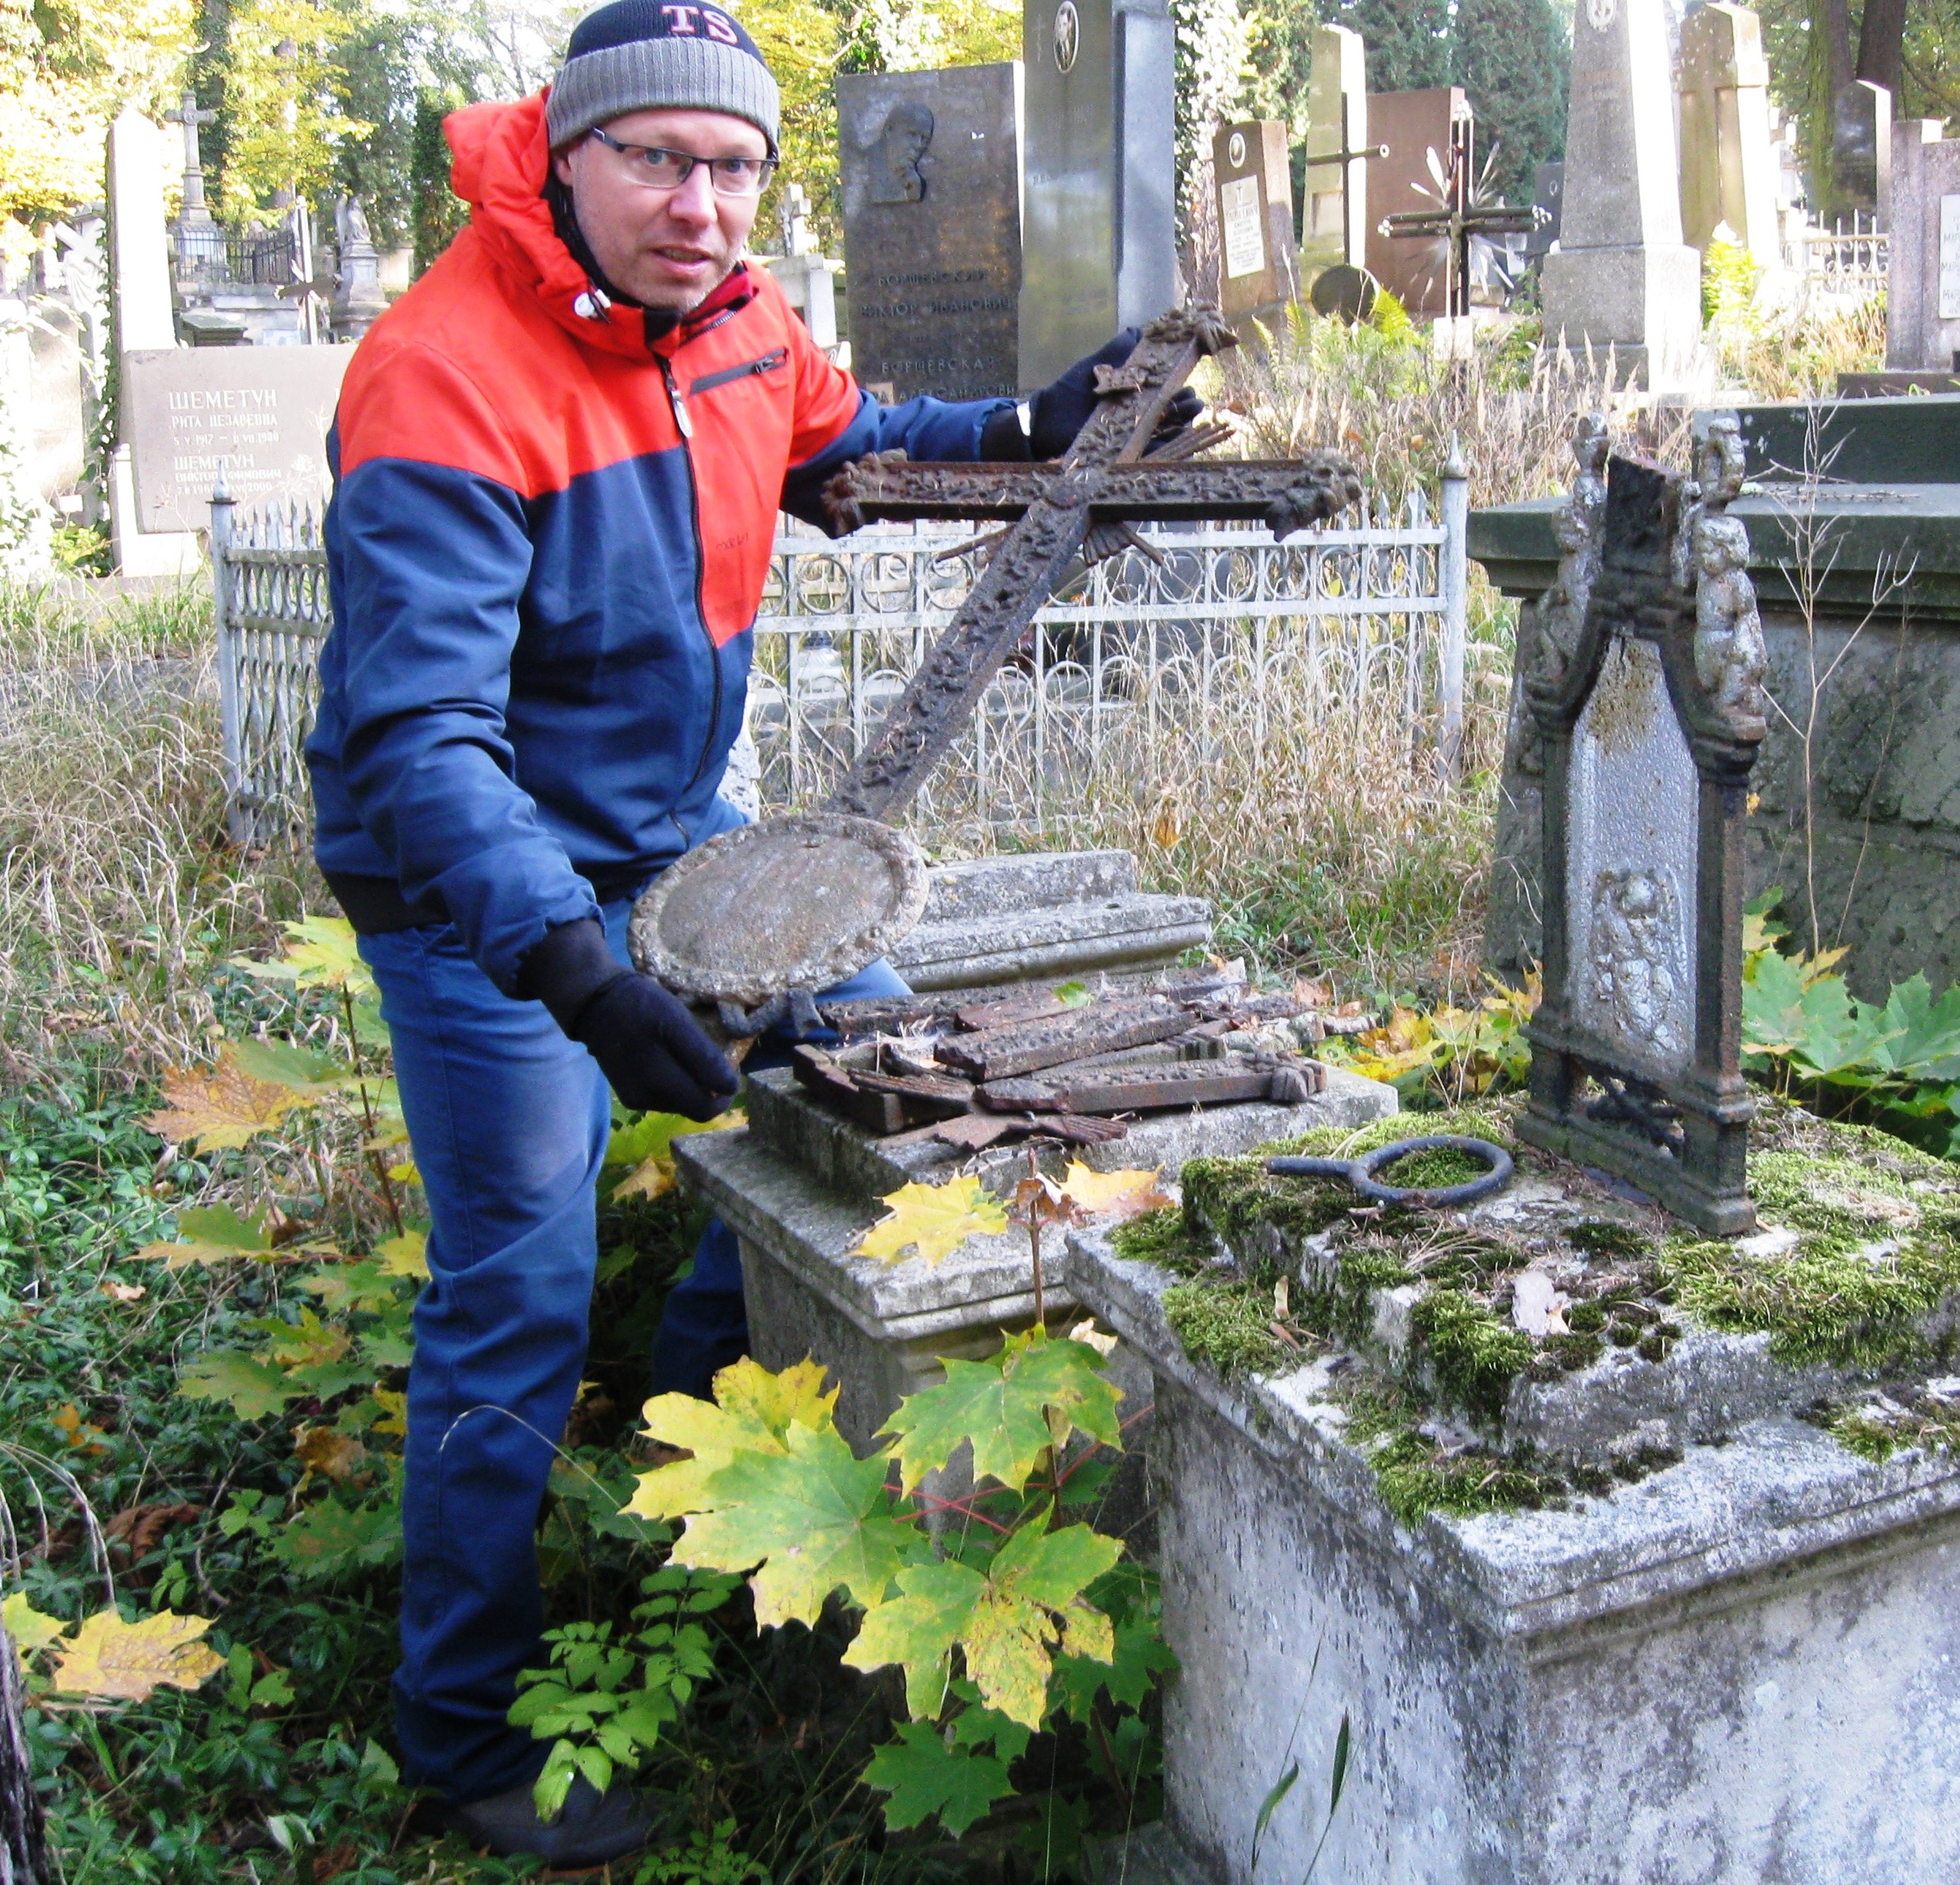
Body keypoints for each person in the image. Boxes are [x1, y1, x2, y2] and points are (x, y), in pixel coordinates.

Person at [304, 0, 1196, 1861]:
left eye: (732, 167)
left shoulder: (739, 330)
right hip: (475, 894)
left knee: (871, 1080)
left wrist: (1036, 427)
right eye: (656, 159)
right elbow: (417, 741)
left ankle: (695, 1453)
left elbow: (855, 438)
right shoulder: (443, 376)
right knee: (516, 1284)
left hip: (674, 836)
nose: (700, 202)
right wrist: (574, 974)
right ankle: (459, 1725)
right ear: (567, 158)